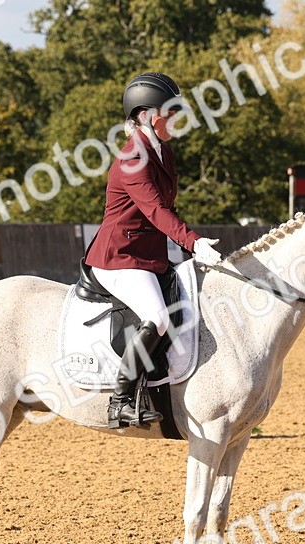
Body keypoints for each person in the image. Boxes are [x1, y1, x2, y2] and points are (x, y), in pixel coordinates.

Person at [84, 72, 223, 428]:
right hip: (120, 257)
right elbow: (155, 211)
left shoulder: (162, 152)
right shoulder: (132, 158)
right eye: (170, 111)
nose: (177, 118)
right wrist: (192, 242)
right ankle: (121, 400)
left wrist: (190, 245)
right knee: (158, 318)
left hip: (149, 256)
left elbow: (167, 208)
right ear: (147, 115)